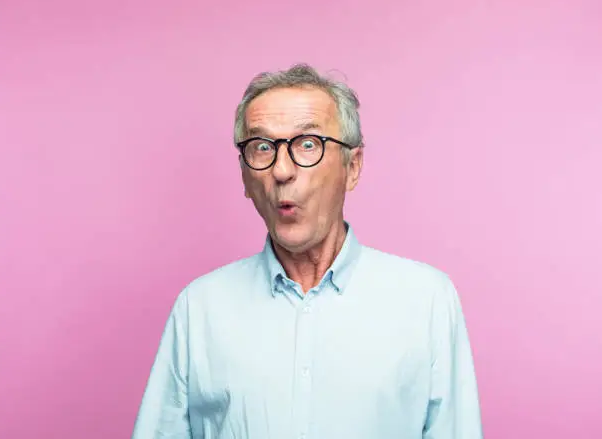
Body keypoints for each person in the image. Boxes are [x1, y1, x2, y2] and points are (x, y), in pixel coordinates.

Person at [131, 63, 483, 439]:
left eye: (308, 145)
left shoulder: (426, 300)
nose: (282, 170)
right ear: (245, 176)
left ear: (353, 166)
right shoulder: (199, 308)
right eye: (262, 147)